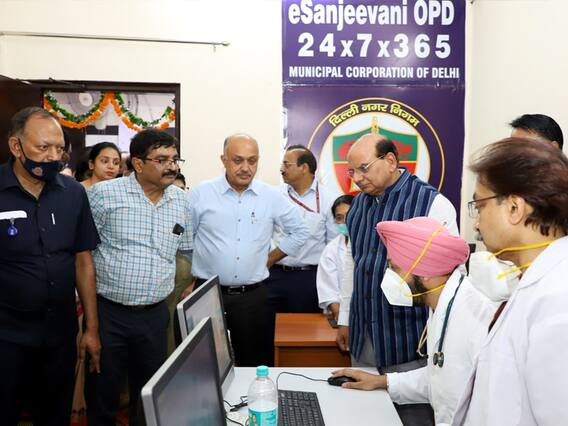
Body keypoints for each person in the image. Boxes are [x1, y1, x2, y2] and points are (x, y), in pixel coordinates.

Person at [337, 133, 459, 425]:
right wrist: (345, 318)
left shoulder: (432, 204)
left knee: (412, 418)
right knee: (365, 416)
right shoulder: (357, 207)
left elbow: (450, 278)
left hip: (408, 342)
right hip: (364, 336)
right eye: (352, 171)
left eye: (363, 168)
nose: (357, 179)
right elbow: (352, 263)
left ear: (390, 161)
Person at [332, 217, 496, 425]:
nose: (389, 277)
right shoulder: (442, 305)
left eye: (394, 268)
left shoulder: (477, 316)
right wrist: (382, 382)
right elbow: (440, 378)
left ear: (425, 272)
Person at [451, 138, 568, 425]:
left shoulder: (558, 299)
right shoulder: (537, 280)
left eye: (479, 206)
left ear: (515, 208)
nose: (476, 223)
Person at [0, 107, 101, 425]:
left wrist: (91, 329)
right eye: (43, 147)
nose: (53, 157)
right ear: (16, 146)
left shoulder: (73, 193)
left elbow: (83, 261)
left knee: (55, 414)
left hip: (59, 334)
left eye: (59, 149)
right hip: (7, 336)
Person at [85, 129, 192, 426]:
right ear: (138, 163)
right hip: (109, 314)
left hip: (155, 316)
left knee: (148, 398)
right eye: (162, 159)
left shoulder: (181, 201)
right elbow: (82, 254)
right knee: (103, 393)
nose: (171, 166)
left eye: (175, 159)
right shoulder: (104, 195)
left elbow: (185, 250)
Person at [189, 133, 309, 367]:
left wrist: (271, 258)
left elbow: (300, 231)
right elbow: (186, 240)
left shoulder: (270, 196)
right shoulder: (201, 194)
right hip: (207, 294)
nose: (245, 168)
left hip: (252, 298)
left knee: (254, 362)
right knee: (204, 363)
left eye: (252, 161)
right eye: (238, 160)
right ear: (223, 160)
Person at [166, 172, 195, 354]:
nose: (179, 195)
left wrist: (194, 284)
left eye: (182, 189)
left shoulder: (190, 217)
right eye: (173, 190)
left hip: (185, 291)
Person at [316, 194, 354, 319]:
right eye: (339, 218)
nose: (345, 222)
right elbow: (328, 290)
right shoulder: (331, 250)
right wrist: (341, 318)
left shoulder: (375, 244)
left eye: (349, 216)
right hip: (342, 314)